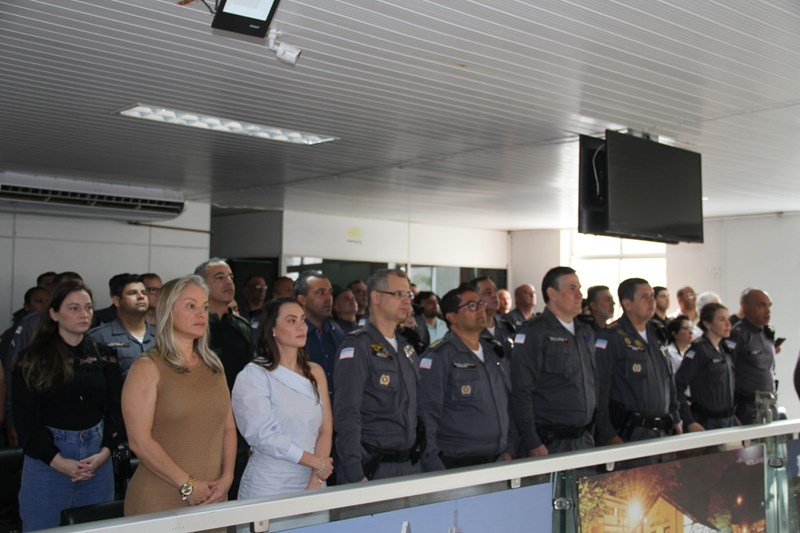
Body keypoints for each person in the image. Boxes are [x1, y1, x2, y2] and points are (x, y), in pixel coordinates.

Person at [122, 275, 236, 517]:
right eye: (190, 306)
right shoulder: (147, 367)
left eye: (204, 307)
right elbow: (139, 441)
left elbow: (227, 428)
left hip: (212, 499)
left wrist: (227, 477)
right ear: (168, 311)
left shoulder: (214, 365)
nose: (201, 314)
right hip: (160, 499)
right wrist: (188, 485)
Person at [12, 281, 122, 531]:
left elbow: (115, 410)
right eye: (74, 308)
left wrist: (106, 450)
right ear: (54, 313)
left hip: (97, 458)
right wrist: (57, 460)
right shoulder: (31, 359)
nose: (84, 314)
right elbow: (26, 420)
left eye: (88, 307)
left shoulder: (104, 355)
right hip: (48, 460)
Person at [231, 298, 333, 498]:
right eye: (291, 321)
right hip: (270, 483)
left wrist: (316, 480)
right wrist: (314, 462)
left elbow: (326, 429)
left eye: (302, 320)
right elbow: (264, 436)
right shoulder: (254, 375)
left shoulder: (316, 372)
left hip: (314, 481)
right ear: (273, 329)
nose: (301, 326)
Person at [333, 268, 422, 483]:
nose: (406, 301)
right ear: (376, 297)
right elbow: (347, 413)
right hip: (371, 468)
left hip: (408, 466)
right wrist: (355, 471)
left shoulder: (406, 347)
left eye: (408, 295)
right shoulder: (358, 346)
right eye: (398, 294)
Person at [418, 287, 515, 471]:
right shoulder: (439, 357)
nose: (480, 309)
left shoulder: (494, 352)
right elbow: (426, 415)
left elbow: (507, 403)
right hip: (457, 464)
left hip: (498, 460)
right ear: (452, 317)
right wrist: (432, 464)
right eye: (471, 305)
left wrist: (510, 446)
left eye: (480, 303)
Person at [511, 267, 597, 455]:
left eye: (580, 288)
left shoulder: (586, 332)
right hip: (549, 443)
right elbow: (521, 390)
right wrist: (532, 441)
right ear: (552, 293)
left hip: (583, 439)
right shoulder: (535, 332)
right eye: (572, 289)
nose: (580, 295)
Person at [595, 278, 682, 445]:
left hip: (662, 432)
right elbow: (600, 390)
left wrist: (676, 417)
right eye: (644, 297)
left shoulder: (658, 334)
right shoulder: (611, 337)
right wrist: (607, 433)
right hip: (630, 434)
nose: (651, 301)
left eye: (652, 296)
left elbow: (669, 380)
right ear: (627, 304)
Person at [675, 303, 737, 431]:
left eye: (728, 320)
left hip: (728, 420)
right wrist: (689, 421)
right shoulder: (699, 350)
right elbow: (677, 387)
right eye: (722, 320)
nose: (728, 324)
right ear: (707, 324)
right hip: (707, 422)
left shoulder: (724, 350)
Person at [88, 274, 155, 377]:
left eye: (144, 292)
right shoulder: (99, 337)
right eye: (132, 293)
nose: (141, 296)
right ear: (117, 301)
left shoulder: (162, 335)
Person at [295, 271, 345, 402]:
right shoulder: (294, 334)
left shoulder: (337, 332)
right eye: (321, 293)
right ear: (302, 299)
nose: (329, 298)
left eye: (330, 292)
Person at [729, 289, 777, 425]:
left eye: (769, 306)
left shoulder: (767, 333)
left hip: (770, 404)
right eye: (761, 306)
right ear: (745, 307)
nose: (768, 311)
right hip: (747, 407)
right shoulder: (738, 334)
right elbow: (727, 372)